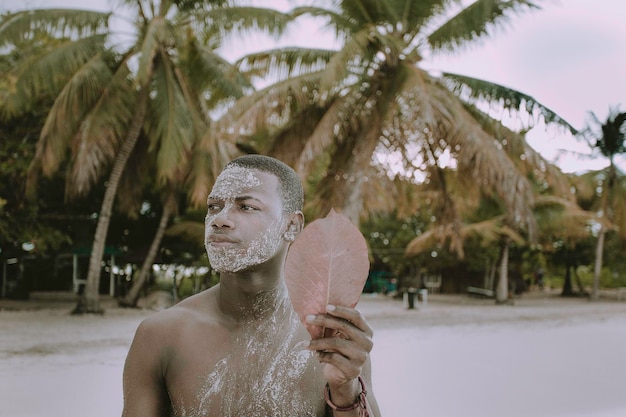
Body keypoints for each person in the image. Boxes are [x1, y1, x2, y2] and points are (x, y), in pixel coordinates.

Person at [122, 155, 381, 417]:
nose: (219, 219)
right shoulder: (162, 335)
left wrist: (345, 390)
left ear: (291, 225)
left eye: (246, 207)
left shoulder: (330, 335)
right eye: (213, 206)